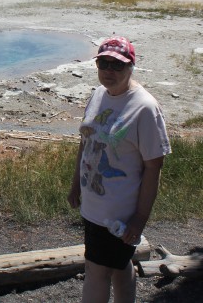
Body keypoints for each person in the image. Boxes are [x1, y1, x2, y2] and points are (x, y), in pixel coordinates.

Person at [68, 36, 171, 303]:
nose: (109, 71)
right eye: (104, 64)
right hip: (94, 207)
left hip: (119, 214)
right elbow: (86, 141)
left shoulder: (145, 108)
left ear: (131, 67)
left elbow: (153, 166)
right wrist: (76, 183)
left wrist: (139, 218)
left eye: (117, 65)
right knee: (118, 266)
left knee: (96, 270)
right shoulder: (99, 95)